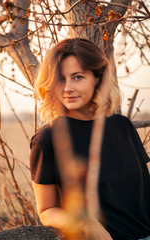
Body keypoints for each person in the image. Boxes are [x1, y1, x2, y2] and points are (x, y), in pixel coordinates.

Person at [30, 38, 150, 240]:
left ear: (97, 78)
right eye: (61, 79)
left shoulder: (123, 126)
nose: (67, 87)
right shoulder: (48, 138)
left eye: (77, 77)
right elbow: (46, 210)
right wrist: (83, 222)